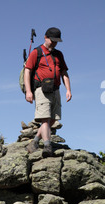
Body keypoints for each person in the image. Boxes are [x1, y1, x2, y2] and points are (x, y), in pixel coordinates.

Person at [24, 27, 72, 157]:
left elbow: (64, 72)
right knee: (45, 119)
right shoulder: (36, 52)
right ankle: (47, 146)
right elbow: (27, 71)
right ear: (45, 37)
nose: (54, 43)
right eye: (52, 40)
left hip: (56, 89)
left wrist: (68, 89)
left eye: (56, 41)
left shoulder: (59, 54)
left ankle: (34, 142)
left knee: (52, 120)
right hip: (41, 89)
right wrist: (28, 91)